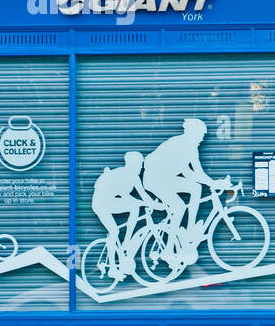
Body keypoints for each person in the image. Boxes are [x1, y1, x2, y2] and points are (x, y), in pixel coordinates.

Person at [142, 119, 230, 266]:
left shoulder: (188, 146)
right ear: (192, 133)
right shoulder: (180, 144)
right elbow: (197, 174)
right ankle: (168, 251)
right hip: (154, 179)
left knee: (195, 188)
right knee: (179, 207)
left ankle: (189, 229)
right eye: (201, 134)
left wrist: (213, 182)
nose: (202, 138)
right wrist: (214, 183)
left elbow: (191, 173)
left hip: (165, 178)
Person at [91, 151, 159, 280]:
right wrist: (145, 203)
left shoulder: (134, 177)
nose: (141, 167)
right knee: (114, 231)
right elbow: (123, 196)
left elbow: (144, 195)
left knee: (135, 206)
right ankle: (112, 268)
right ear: (131, 164)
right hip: (101, 203)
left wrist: (157, 205)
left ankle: (126, 242)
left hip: (112, 202)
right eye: (139, 164)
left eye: (141, 164)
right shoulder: (121, 175)